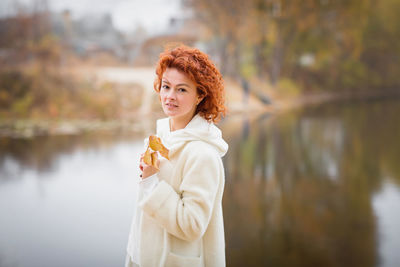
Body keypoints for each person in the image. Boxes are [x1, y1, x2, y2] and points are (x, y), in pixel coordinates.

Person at [125, 44, 228, 267]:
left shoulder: (203, 154)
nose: (170, 96)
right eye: (166, 87)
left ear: (200, 95)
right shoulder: (160, 138)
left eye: (182, 89)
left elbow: (192, 225)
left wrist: (152, 181)